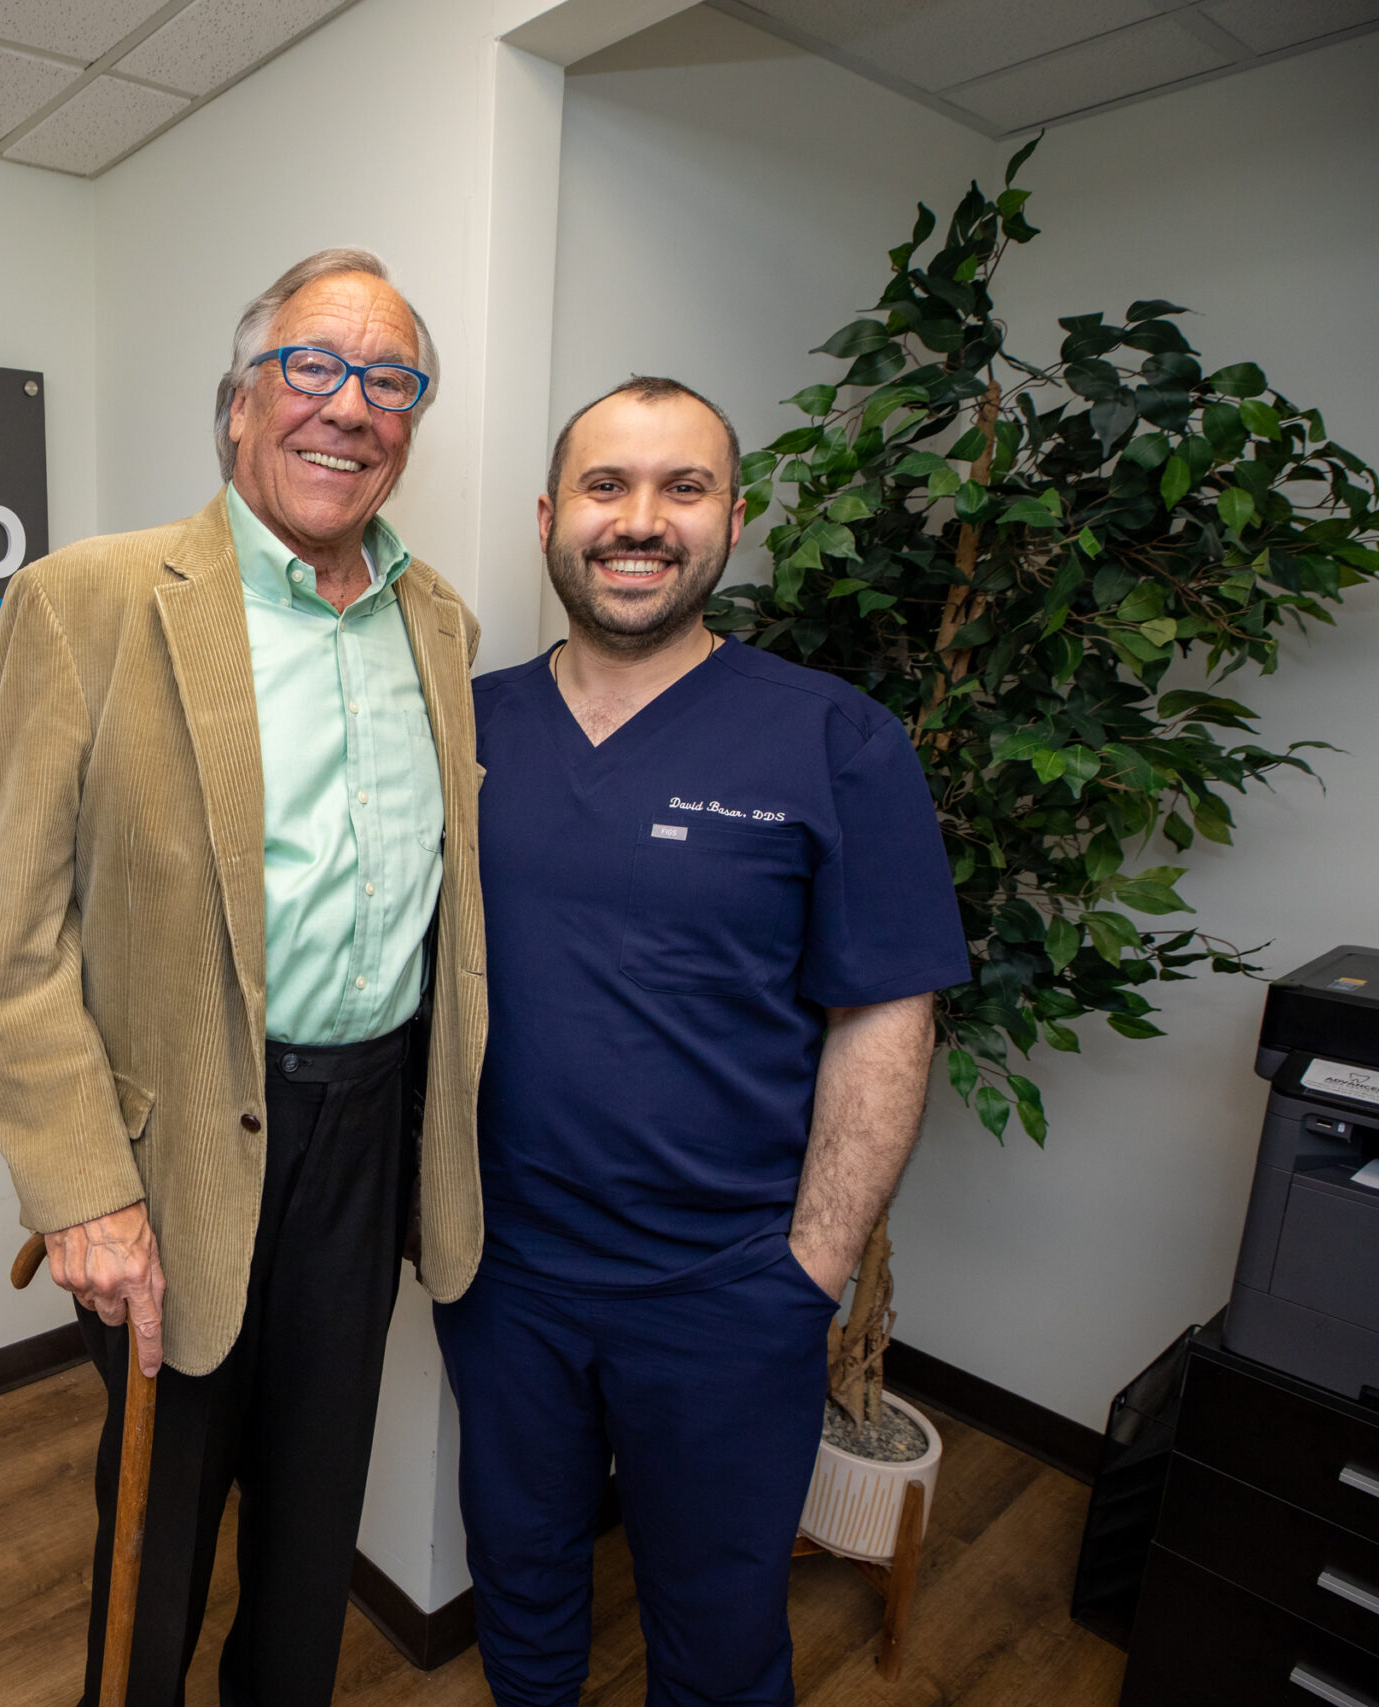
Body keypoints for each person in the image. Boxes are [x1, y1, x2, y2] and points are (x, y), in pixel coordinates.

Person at [0, 248, 487, 1707]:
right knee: (160, 1523)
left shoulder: (437, 622)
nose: (350, 407)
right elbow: (16, 940)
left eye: (392, 380)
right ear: (242, 405)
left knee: (317, 1512)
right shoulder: (90, 600)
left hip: (368, 1130)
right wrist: (82, 1188)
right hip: (176, 1138)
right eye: (313, 366)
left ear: (413, 421)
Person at [442, 376, 970, 1706]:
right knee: (522, 1579)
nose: (641, 521)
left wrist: (814, 1266)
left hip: (728, 1293)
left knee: (721, 1631)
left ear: (734, 521)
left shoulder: (837, 741)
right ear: (551, 517)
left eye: (683, 488)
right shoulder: (465, 727)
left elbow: (887, 1012)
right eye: (608, 487)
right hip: (506, 1283)